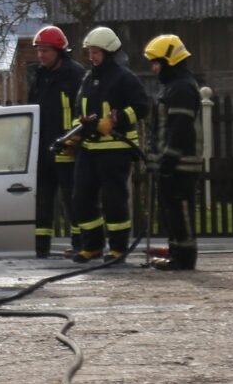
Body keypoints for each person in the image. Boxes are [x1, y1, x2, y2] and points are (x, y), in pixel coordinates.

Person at [71, 26, 149, 263]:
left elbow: (142, 107)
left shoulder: (124, 78)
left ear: (109, 52)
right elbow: (79, 109)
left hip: (115, 149)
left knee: (114, 200)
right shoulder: (88, 78)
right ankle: (92, 246)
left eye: (96, 52)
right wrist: (78, 128)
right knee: (82, 198)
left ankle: (118, 249)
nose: (92, 57)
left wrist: (117, 120)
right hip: (89, 148)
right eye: (90, 52)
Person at [143, 34, 202, 270]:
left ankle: (185, 257)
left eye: (156, 62)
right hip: (171, 163)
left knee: (181, 209)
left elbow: (180, 128)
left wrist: (169, 157)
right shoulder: (173, 87)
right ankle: (176, 253)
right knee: (171, 212)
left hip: (181, 164)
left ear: (169, 60)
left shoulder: (181, 89)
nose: (154, 68)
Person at [27, 26, 86, 258]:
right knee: (42, 200)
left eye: (46, 51)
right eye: (39, 50)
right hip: (42, 149)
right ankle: (40, 247)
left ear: (59, 51)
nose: (41, 55)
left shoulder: (76, 75)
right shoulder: (40, 76)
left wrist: (72, 139)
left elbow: (81, 111)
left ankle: (80, 244)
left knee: (72, 199)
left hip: (68, 149)